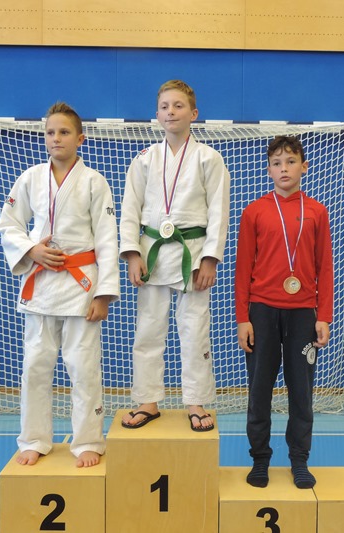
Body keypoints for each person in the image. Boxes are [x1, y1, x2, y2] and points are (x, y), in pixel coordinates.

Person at [0, 102, 119, 467]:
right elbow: (8, 224)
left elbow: (107, 239)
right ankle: (34, 438)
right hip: (42, 286)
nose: (56, 138)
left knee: (83, 368)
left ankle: (88, 441)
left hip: (82, 288)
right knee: (35, 366)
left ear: (80, 138)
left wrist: (104, 294)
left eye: (64, 132)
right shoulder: (31, 178)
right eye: (50, 132)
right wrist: (32, 249)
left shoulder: (94, 181)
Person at [119, 79, 230, 432]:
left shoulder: (209, 158)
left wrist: (210, 258)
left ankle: (195, 401)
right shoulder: (145, 159)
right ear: (156, 114)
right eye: (165, 106)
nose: (171, 112)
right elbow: (129, 209)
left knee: (195, 330)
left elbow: (219, 211)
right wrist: (132, 253)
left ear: (193, 113)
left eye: (178, 106)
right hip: (151, 254)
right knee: (148, 330)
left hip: (192, 255)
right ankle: (147, 400)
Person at [235, 135, 334, 489]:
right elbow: (243, 268)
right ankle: (260, 459)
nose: (284, 169)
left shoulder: (317, 212)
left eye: (291, 162)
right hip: (262, 312)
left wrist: (324, 315)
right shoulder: (255, 211)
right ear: (268, 170)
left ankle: (299, 460)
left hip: (303, 313)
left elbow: (325, 268)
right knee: (259, 389)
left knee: (301, 391)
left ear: (304, 167)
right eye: (276, 163)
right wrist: (242, 318)